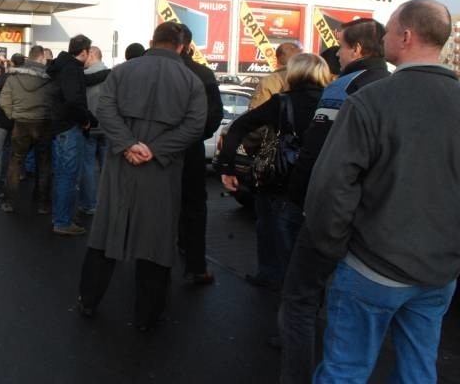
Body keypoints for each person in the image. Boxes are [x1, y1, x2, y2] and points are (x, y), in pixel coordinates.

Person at [307, 0, 460, 382]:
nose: (384, 36)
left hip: (370, 268)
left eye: (389, 30)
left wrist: (334, 247)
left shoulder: (369, 101)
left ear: (406, 36)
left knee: (344, 371)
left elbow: (329, 188)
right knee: (418, 370)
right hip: (439, 273)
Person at [278, 18, 390, 383]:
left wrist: (298, 201)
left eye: (341, 47)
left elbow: (317, 154)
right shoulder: (390, 85)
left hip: (327, 211)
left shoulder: (344, 87)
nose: (337, 55)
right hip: (372, 217)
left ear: (356, 50)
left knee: (298, 301)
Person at [77, 22, 206, 330]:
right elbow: (194, 125)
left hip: (121, 165)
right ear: (182, 47)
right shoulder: (191, 80)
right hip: (161, 170)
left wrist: (127, 145)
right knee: (156, 242)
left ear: (152, 41)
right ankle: (147, 315)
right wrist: (155, 150)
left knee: (107, 232)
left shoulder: (122, 72)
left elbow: (104, 110)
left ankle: (88, 300)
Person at [219, 53, 331, 286]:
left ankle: (272, 276)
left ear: (294, 72)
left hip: (278, 180)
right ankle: (305, 286)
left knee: (271, 230)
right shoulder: (333, 103)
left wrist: (227, 166)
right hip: (320, 181)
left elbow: (239, 127)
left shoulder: (282, 102)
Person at [241, 41, 304, 290]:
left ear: (278, 58)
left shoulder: (270, 82)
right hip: (302, 165)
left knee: (267, 221)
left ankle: (270, 273)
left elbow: (252, 122)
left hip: (274, 164)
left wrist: (255, 154)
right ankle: (294, 276)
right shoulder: (320, 84)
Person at [176, 25, 223, 285]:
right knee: (194, 206)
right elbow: (214, 115)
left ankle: (148, 262)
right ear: (188, 45)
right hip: (191, 149)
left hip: (154, 150)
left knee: (155, 205)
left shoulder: (143, 69)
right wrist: (195, 135)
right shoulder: (202, 73)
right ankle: (195, 264)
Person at [46, 35, 97, 236]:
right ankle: (63, 221)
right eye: (89, 51)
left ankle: (59, 216)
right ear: (83, 52)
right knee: (68, 176)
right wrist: (87, 119)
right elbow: (74, 99)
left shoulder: (62, 66)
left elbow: (83, 83)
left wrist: (108, 72)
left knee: (61, 175)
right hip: (69, 127)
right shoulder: (72, 69)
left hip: (59, 127)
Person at [0, 46, 54, 214]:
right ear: (41, 57)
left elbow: (4, 100)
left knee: (15, 162)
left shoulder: (13, 77)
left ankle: (9, 201)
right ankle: (42, 203)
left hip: (21, 123)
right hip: (43, 124)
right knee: (43, 164)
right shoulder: (50, 78)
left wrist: (13, 115)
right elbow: (55, 100)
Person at [78, 46, 110, 216]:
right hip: (109, 127)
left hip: (89, 125)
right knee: (107, 167)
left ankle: (89, 204)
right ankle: (107, 203)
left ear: (91, 55)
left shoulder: (83, 76)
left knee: (88, 166)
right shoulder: (112, 75)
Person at [0, 54, 23, 192]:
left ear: (11, 63)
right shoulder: (25, 79)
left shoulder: (3, 78)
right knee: (12, 151)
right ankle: (7, 179)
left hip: (2, 119)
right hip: (18, 120)